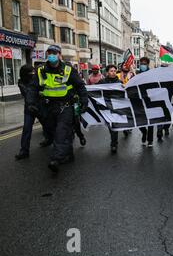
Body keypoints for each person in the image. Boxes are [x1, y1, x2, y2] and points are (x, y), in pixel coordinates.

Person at [27, 45, 88, 173]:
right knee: (53, 132)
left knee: (61, 132)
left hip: (65, 106)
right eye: (49, 53)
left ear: (60, 55)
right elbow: (32, 88)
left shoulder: (68, 69)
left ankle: (56, 159)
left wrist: (84, 101)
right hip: (48, 107)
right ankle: (69, 155)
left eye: (54, 53)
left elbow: (80, 86)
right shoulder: (40, 70)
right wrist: (31, 103)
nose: (51, 55)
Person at [15, 65, 51, 160]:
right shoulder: (21, 82)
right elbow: (27, 93)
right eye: (31, 73)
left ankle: (49, 140)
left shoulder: (37, 79)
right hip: (29, 108)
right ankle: (24, 151)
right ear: (25, 74)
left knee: (47, 125)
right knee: (27, 129)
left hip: (40, 106)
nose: (33, 74)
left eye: (33, 72)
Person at [137, 57, 164, 147]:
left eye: (144, 64)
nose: (143, 65)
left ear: (147, 64)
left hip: (150, 99)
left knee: (150, 121)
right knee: (139, 120)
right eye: (141, 63)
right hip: (139, 100)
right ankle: (144, 132)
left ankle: (150, 140)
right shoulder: (136, 74)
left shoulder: (152, 74)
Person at [98, 65, 122, 153]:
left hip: (116, 108)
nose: (113, 72)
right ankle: (114, 142)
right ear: (107, 72)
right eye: (111, 71)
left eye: (115, 71)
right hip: (106, 107)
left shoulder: (119, 82)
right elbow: (95, 91)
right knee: (110, 126)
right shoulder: (102, 82)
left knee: (114, 126)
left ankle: (114, 144)